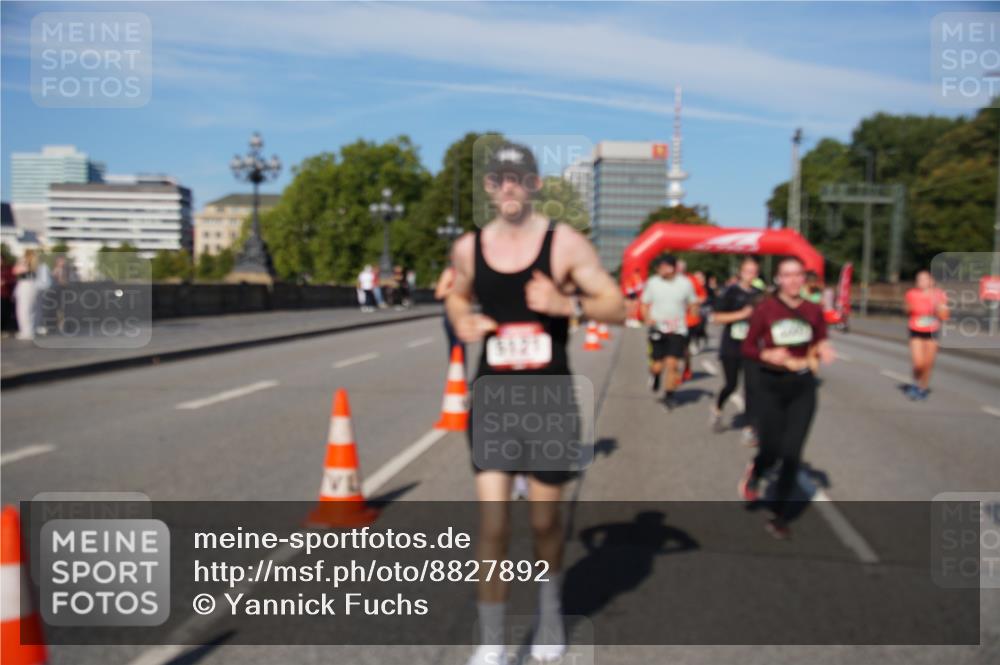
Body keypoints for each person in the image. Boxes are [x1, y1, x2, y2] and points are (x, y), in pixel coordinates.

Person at [446, 141, 625, 665]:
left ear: (534, 183)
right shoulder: (468, 247)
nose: (508, 186)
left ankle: (549, 613)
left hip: (548, 398)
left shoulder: (564, 243)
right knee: (494, 524)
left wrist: (567, 303)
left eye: (518, 176)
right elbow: (457, 293)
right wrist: (460, 318)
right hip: (493, 398)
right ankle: (492, 641)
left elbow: (615, 305)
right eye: (499, 177)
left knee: (545, 524)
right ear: (487, 186)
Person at [738, 256, 834, 539]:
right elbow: (748, 346)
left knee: (792, 454)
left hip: (803, 387)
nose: (793, 281)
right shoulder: (765, 309)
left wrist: (824, 348)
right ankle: (757, 470)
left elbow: (820, 337)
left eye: (798, 275)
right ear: (778, 279)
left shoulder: (813, 310)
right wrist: (766, 354)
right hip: (771, 385)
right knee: (772, 449)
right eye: (787, 275)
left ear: (804, 279)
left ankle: (779, 516)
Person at [710, 257, 762, 444]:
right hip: (731, 346)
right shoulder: (730, 292)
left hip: (753, 348)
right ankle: (717, 409)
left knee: (753, 388)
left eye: (754, 272)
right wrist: (741, 314)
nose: (751, 275)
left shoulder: (760, 294)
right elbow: (716, 318)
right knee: (731, 384)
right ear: (740, 272)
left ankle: (750, 429)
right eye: (747, 271)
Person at [641, 254, 697, 409]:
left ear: (673, 267)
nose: (661, 270)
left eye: (664, 266)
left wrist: (694, 314)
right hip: (658, 328)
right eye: (659, 267)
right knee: (658, 365)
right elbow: (644, 304)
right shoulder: (653, 283)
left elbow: (693, 302)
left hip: (678, 329)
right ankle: (655, 375)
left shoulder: (685, 283)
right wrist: (647, 318)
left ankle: (669, 394)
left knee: (672, 363)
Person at [904, 270, 949, 401]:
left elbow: (945, 316)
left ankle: (922, 388)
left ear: (931, 281)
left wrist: (940, 308)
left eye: (924, 279)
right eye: (919, 279)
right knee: (918, 363)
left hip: (932, 332)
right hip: (916, 330)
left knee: (928, 364)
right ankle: (915, 382)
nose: (921, 282)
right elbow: (906, 310)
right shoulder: (911, 294)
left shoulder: (939, 294)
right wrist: (911, 307)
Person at [676, 259, 706, 381]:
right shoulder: (668, 280)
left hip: (689, 321)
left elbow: (702, 296)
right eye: (677, 268)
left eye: (681, 269)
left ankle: (687, 368)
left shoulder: (692, 280)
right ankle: (674, 373)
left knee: (684, 348)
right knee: (673, 349)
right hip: (672, 320)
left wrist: (692, 302)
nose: (679, 271)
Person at [13, 249, 50, 340]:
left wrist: (21, 262)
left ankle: (26, 332)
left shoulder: (25, 263)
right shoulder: (40, 265)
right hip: (36, 288)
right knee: (35, 310)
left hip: (26, 287)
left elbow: (15, 271)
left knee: (23, 311)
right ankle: (33, 329)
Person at [434, 264, 464, 364]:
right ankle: (456, 374)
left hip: (464, 314)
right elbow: (439, 294)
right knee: (456, 347)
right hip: (451, 314)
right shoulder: (450, 272)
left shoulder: (469, 270)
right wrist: (456, 288)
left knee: (460, 348)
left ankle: (459, 374)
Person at [1, 252, 16, 335]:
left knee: (4, 312)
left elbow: (13, 280)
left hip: (5, 294)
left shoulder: (8, 269)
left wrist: (5, 282)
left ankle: (4, 329)